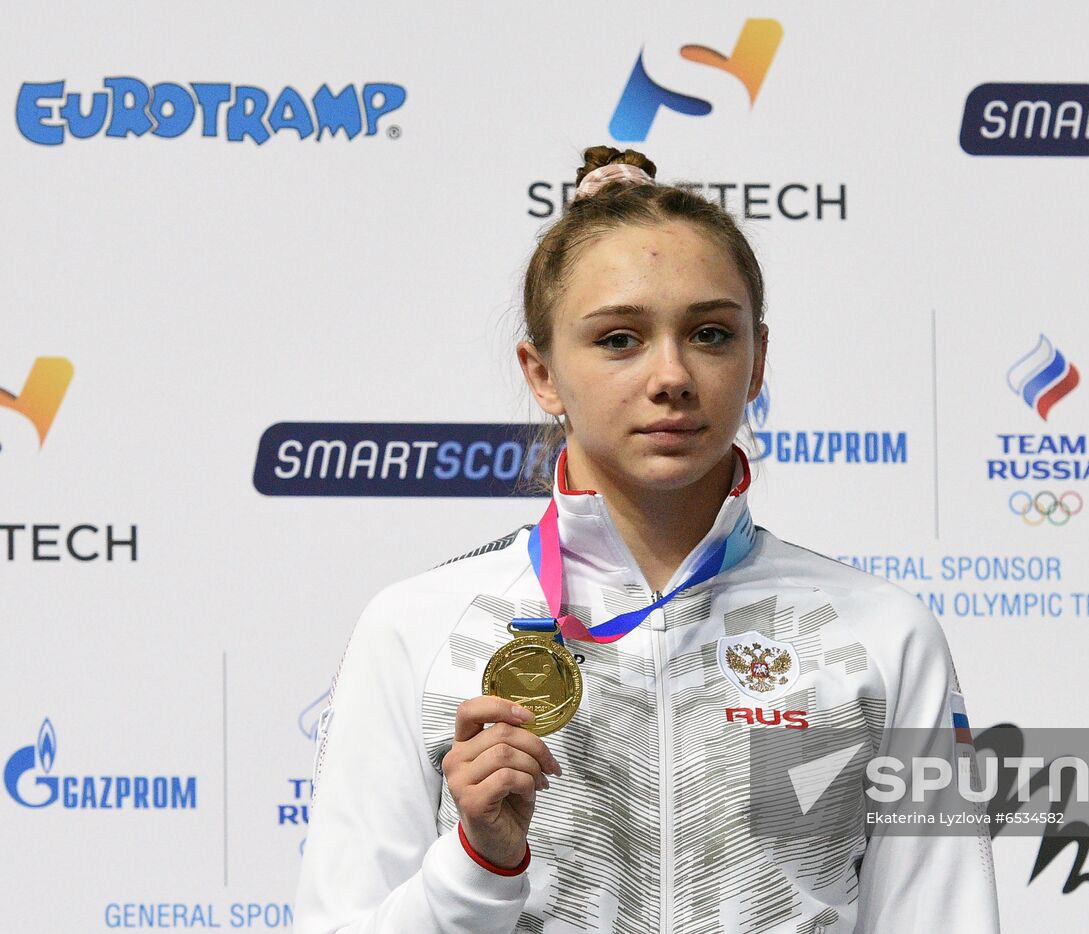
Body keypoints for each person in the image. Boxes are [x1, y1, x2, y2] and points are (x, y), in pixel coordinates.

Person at [294, 146, 1000, 933]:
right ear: (541, 373)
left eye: (709, 333)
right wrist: (479, 861)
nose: (671, 374)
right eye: (620, 339)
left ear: (757, 359)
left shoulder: (882, 633)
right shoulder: (418, 629)